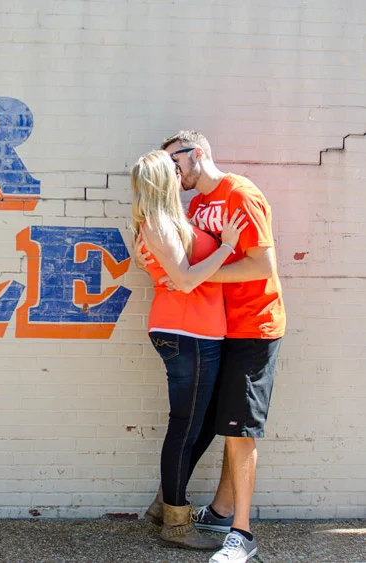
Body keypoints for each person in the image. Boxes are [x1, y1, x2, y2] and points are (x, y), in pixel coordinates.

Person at [144, 131, 286, 563]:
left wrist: (190, 277)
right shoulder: (198, 205)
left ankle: (241, 536)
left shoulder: (241, 194)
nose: (173, 171)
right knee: (224, 424)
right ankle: (223, 512)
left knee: (240, 431)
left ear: (197, 154)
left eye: (176, 162)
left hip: (255, 326)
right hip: (218, 329)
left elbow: (262, 264)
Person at [130, 150, 247, 550]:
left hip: (198, 332)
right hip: (186, 333)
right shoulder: (159, 223)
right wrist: (227, 246)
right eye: (174, 170)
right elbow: (184, 281)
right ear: (164, 179)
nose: (180, 174)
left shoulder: (171, 221)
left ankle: (164, 504)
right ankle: (176, 524)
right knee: (184, 427)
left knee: (201, 422)